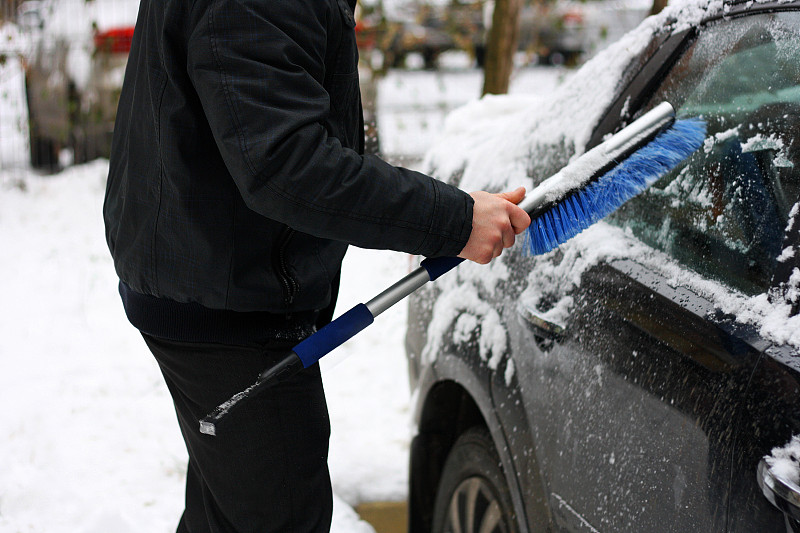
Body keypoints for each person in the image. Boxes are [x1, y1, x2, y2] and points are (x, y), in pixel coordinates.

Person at [103, 0, 530, 531]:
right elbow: (287, 164)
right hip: (230, 309)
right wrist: (456, 221)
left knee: (229, 515)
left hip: (210, 278)